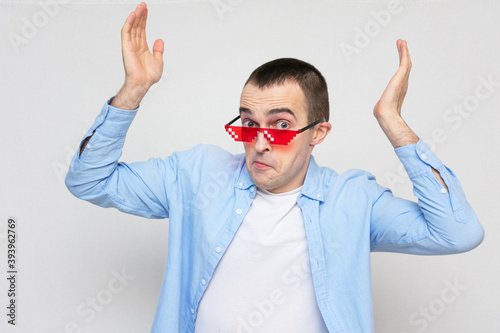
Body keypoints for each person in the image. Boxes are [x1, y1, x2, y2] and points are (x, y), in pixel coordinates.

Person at [65, 2, 484, 332]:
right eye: (249, 123)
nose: (260, 142)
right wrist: (134, 89)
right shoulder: (195, 176)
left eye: (281, 125)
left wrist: (392, 122)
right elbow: (89, 179)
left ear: (317, 133)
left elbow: (458, 232)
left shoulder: (352, 200)